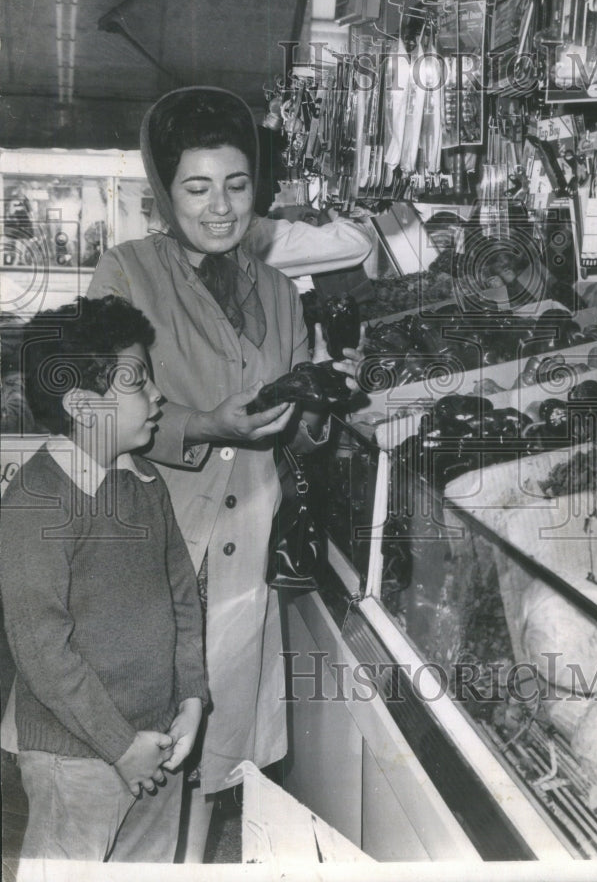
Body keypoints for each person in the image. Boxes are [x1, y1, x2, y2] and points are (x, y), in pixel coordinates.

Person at [86, 85, 361, 861]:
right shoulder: (126, 274)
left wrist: (312, 414)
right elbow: (97, 416)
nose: (219, 208)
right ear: (164, 194)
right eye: (196, 188)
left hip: (240, 571)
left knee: (210, 773)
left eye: (236, 186)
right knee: (133, 783)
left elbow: (297, 433)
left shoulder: (279, 291)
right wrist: (207, 425)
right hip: (148, 562)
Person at [0, 295, 208, 863]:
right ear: (82, 405)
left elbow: (183, 599)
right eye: (137, 381)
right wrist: (120, 747)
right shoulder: (35, 505)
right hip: (75, 757)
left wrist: (192, 694)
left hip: (159, 737)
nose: (157, 394)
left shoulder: (144, 482)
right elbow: (41, 648)